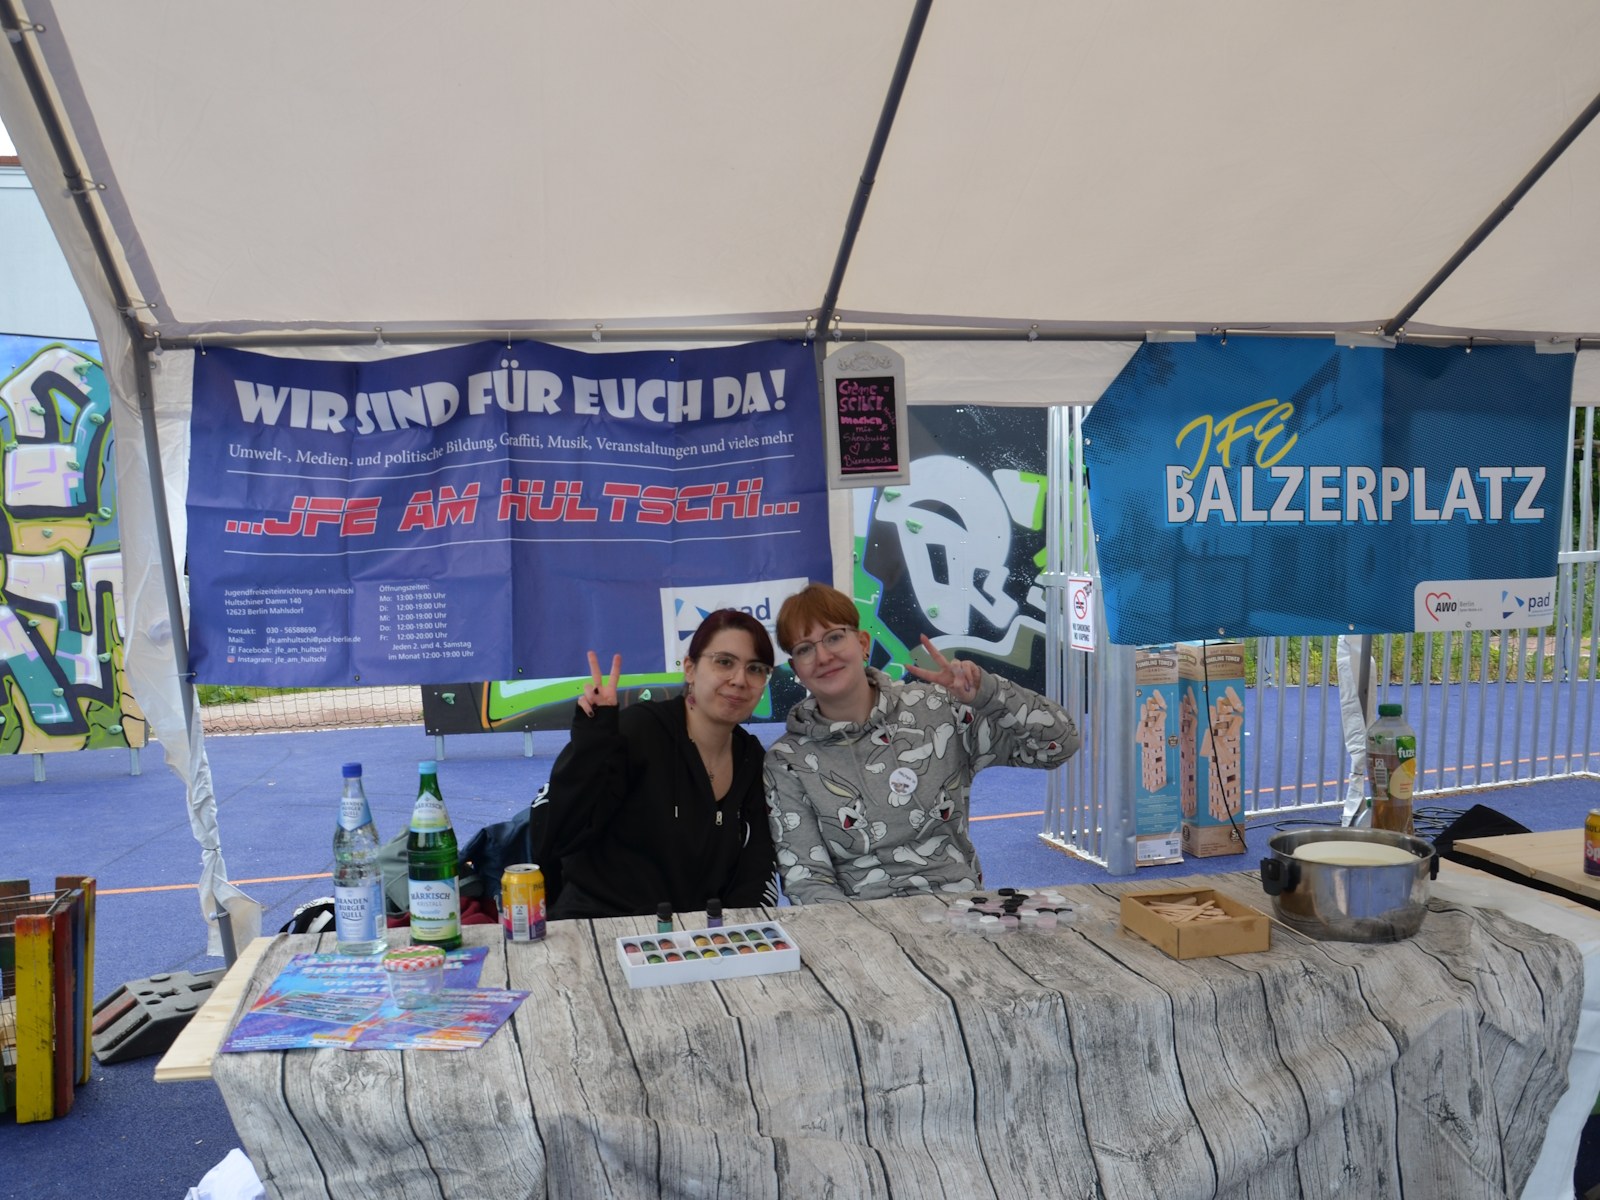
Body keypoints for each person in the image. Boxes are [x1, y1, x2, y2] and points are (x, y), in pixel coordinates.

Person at [765, 583, 1079, 903]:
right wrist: (867, 932)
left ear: (862, 643)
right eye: (804, 649)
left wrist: (989, 694)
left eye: (834, 637)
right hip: (862, 924)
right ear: (797, 669)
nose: (822, 656)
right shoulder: (788, 760)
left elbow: (1060, 744)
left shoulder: (939, 710)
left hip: (960, 912)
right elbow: (808, 881)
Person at [535, 609, 778, 920]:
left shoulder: (751, 758)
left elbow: (756, 868)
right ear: (690, 669)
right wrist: (592, 743)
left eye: (755, 669)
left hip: (698, 937)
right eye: (724, 662)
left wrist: (737, 929)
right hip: (604, 925)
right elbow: (561, 832)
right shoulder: (638, 731)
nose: (740, 680)